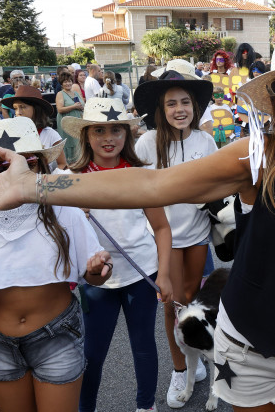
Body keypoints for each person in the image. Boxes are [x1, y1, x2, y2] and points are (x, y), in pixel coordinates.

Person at [0, 32, 275, 412]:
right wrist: (35, 185)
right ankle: (183, 372)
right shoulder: (258, 156)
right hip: (251, 356)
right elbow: (152, 185)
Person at [0, 116, 113, 412]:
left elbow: (94, 277)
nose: (12, 172)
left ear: (42, 166)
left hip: (58, 337)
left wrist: (98, 272)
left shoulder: (66, 214)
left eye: (27, 160)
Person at [60, 98, 172, 412]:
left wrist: (163, 273)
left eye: (116, 130)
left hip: (142, 273)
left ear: (127, 134)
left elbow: (161, 227)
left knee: (144, 346)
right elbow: (60, 236)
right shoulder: (72, 178)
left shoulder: (140, 174)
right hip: (95, 281)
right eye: (99, 130)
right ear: (85, 136)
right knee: (92, 354)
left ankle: (146, 406)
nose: (108, 138)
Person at [133, 70, 217, 408]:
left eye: (185, 102)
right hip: (162, 237)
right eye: (172, 103)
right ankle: (180, 369)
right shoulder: (146, 142)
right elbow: (135, 189)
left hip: (198, 233)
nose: (179, 109)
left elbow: (216, 183)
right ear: (161, 109)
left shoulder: (205, 141)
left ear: (195, 107)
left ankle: (196, 355)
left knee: (192, 300)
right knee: (173, 305)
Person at [1, 85, 67, 171]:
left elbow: (62, 163)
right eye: (15, 108)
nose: (18, 112)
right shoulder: (9, 134)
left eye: (23, 107)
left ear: (36, 109)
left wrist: (50, 180)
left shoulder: (50, 134)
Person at [55, 71, 85, 164]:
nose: (68, 83)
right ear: (61, 83)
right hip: (66, 122)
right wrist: (74, 107)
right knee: (70, 142)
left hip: (78, 122)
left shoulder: (76, 93)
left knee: (79, 141)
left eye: (69, 81)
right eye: (65, 82)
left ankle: (80, 162)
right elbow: (60, 109)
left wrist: (81, 107)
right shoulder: (60, 94)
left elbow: (82, 105)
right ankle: (70, 164)